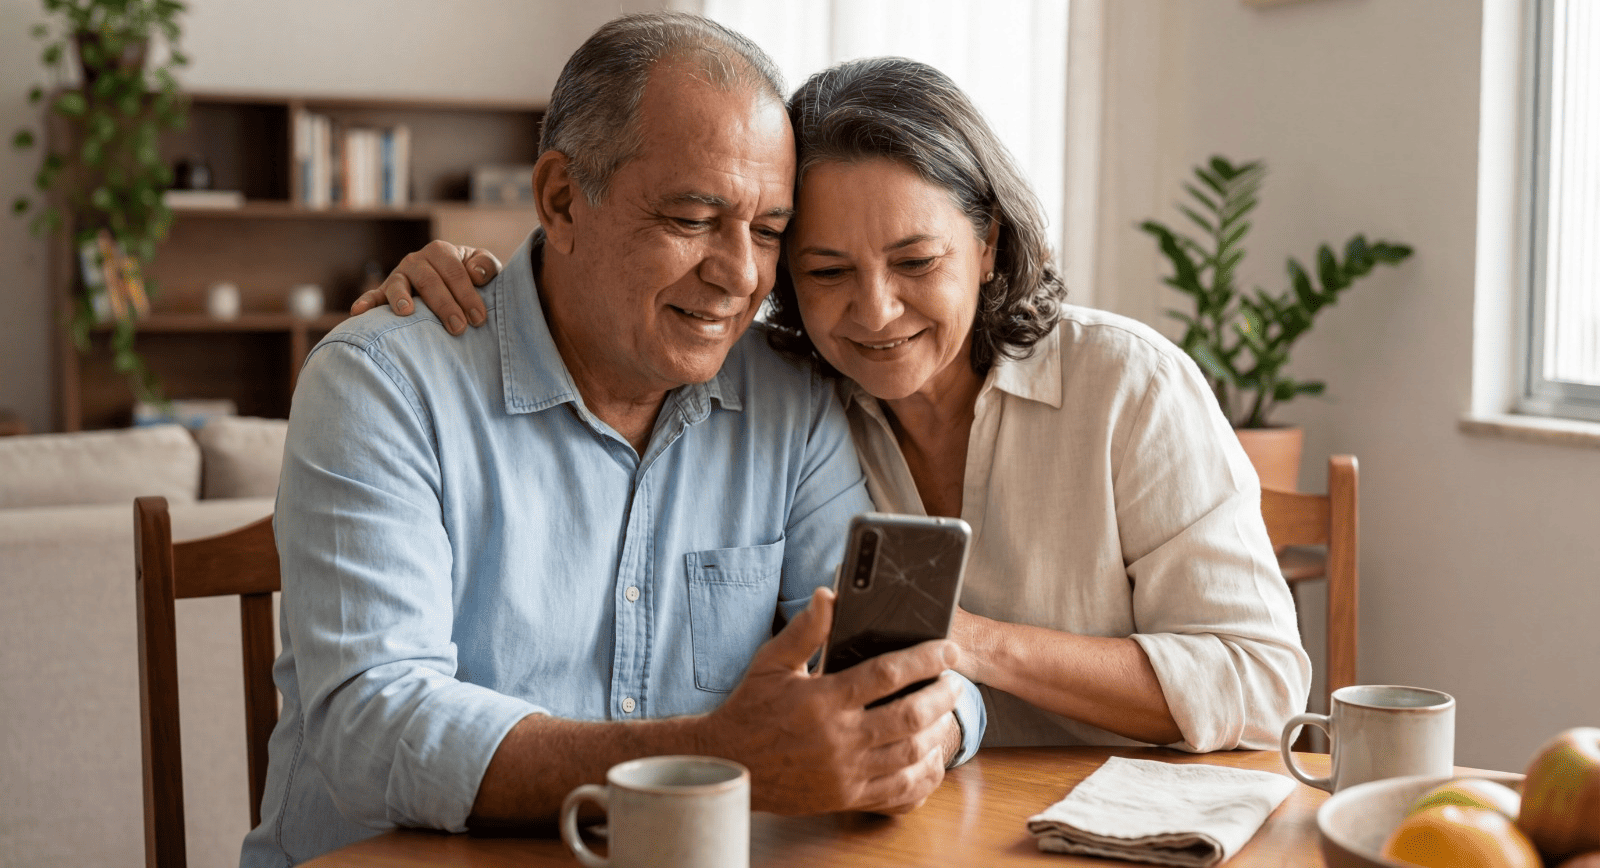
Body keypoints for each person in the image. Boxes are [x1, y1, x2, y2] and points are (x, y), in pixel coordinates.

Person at [372, 56, 1312, 753]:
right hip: (925, 827)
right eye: (826, 271)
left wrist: (968, 641)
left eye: (916, 261)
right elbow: (624, 275)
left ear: (987, 242)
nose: (875, 312)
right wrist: (471, 290)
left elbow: (1264, 681)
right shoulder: (795, 398)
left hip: (1138, 822)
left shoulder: (1127, 388)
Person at [244, 16, 987, 868]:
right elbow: (372, 725)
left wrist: (913, 730)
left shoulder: (792, 401)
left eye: (769, 231)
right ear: (562, 199)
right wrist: (717, 754)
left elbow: (910, 668)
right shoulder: (382, 383)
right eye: (694, 217)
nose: (741, 273)